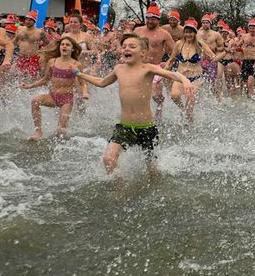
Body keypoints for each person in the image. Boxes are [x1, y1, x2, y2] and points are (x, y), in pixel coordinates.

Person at [75, 33, 193, 176]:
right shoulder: (118, 69)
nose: (126, 49)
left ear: (143, 52)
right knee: (108, 159)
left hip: (147, 128)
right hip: (125, 127)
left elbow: (173, 74)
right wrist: (80, 75)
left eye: (132, 46)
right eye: (124, 46)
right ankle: (119, 186)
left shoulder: (148, 68)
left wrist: (185, 80)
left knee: (152, 170)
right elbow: (101, 82)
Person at [21, 37, 88, 141]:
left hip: (66, 100)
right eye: (62, 44)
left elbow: (82, 83)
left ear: (72, 49)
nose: (64, 46)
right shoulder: (52, 62)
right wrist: (29, 86)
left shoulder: (76, 64)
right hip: (52, 97)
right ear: (59, 47)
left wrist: (85, 93)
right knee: (35, 101)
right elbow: (45, 79)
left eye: (67, 45)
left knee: (61, 132)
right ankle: (38, 132)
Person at [167, 18, 218, 123]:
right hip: (180, 76)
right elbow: (171, 59)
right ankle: (182, 109)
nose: (188, 35)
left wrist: (223, 53)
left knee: (190, 103)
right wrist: (164, 69)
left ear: (195, 33)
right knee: (174, 96)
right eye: (186, 32)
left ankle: (190, 125)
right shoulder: (179, 44)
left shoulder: (200, 44)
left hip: (195, 78)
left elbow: (213, 57)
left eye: (190, 32)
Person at [134, 3, 175, 120]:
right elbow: (126, 44)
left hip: (156, 67)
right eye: (148, 18)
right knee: (136, 93)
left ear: (158, 20)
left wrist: (168, 62)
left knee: (155, 95)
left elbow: (175, 50)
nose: (150, 21)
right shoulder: (138, 31)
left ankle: (160, 103)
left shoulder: (164, 34)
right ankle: (139, 116)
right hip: (139, 66)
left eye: (153, 19)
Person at [13, 10, 48, 80]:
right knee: (18, 79)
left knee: (31, 80)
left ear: (34, 21)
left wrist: (44, 54)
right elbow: (14, 42)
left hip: (33, 59)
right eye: (26, 19)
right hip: (21, 58)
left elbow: (48, 44)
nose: (27, 21)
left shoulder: (39, 32)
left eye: (30, 20)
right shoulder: (19, 29)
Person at [198, 13, 225, 101]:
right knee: (199, 82)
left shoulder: (216, 34)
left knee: (213, 82)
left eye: (207, 22)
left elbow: (222, 47)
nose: (205, 24)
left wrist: (215, 48)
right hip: (200, 60)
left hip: (212, 60)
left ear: (210, 24)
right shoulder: (198, 34)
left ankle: (216, 100)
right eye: (203, 23)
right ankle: (201, 100)